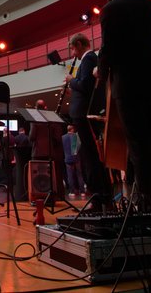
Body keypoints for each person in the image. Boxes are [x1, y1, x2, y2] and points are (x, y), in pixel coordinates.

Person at [95, 0, 151, 212]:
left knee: (137, 144)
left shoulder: (109, 10)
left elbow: (107, 48)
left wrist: (100, 73)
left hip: (127, 84)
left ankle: (147, 204)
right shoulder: (146, 4)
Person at [63, 33, 108, 207]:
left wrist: (71, 80)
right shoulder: (88, 60)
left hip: (84, 115)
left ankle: (99, 196)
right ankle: (97, 195)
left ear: (80, 44)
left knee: (91, 157)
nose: (73, 53)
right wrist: (72, 90)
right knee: (88, 156)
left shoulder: (89, 59)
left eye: (73, 48)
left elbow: (86, 85)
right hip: (81, 114)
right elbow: (84, 88)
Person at [61, 124, 85, 197]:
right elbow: (78, 146)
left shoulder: (63, 137)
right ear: (72, 129)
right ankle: (82, 191)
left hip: (67, 158)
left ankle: (72, 192)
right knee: (79, 175)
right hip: (76, 158)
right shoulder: (75, 136)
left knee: (70, 176)